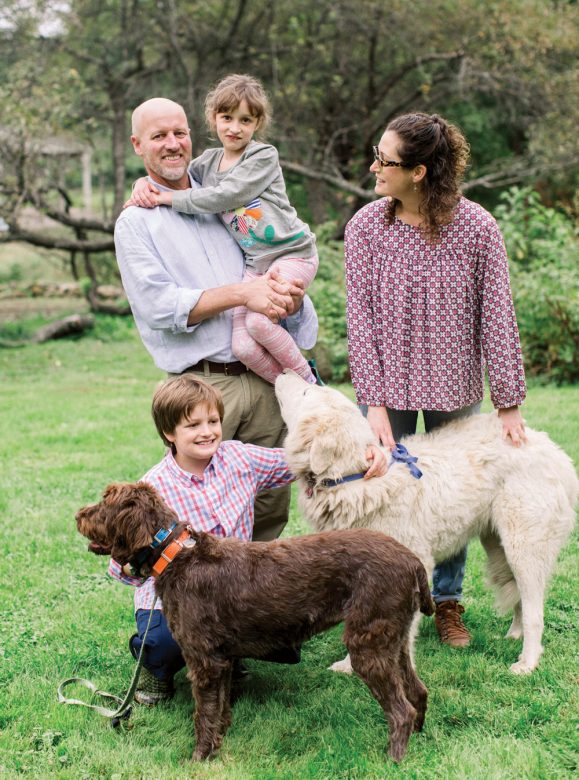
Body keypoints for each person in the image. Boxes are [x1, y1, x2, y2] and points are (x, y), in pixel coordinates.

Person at [344, 112, 527, 648]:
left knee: (450, 499)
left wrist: (509, 401)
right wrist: (372, 405)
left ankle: (444, 601)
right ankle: (376, 603)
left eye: (386, 160)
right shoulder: (365, 228)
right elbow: (361, 321)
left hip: (455, 389)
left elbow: (497, 313)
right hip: (388, 390)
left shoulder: (476, 227)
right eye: (377, 154)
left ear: (419, 171)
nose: (374, 167)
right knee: (375, 495)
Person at [114, 95, 317, 556]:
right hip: (203, 388)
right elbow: (159, 306)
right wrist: (243, 294)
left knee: (268, 507)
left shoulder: (225, 192)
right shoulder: (137, 222)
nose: (172, 144)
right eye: (158, 136)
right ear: (137, 145)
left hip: (265, 378)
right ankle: (208, 611)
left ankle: (258, 608)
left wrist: (291, 300)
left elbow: (272, 255)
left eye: (179, 132)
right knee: (204, 510)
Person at [109, 374, 387, 704]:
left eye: (213, 421)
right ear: (169, 433)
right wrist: (134, 567)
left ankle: (228, 654)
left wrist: (367, 450)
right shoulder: (153, 490)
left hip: (233, 589)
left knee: (288, 618)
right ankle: (155, 667)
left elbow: (298, 460)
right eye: (193, 425)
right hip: (179, 598)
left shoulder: (238, 458)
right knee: (165, 640)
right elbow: (119, 568)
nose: (207, 431)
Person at [127, 74, 318, 386]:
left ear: (257, 123)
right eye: (226, 118)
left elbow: (226, 195)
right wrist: (143, 185)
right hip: (257, 266)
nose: (234, 128)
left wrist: (166, 197)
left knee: (258, 324)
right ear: (213, 119)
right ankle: (293, 388)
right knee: (243, 344)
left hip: (290, 252)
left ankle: (311, 387)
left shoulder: (262, 155)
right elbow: (175, 171)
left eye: (245, 120)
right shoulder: (208, 164)